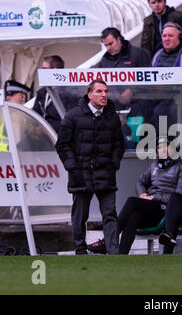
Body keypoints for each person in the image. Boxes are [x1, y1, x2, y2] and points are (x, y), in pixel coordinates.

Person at [88, 136, 182, 254]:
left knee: (132, 202)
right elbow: (140, 181)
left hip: (168, 208)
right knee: (134, 216)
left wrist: (153, 198)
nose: (162, 150)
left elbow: (179, 196)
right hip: (152, 206)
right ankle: (120, 256)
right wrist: (143, 193)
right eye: (159, 147)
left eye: (166, 146)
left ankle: (107, 241)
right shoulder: (155, 164)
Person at [55, 79, 125, 255]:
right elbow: (62, 145)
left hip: (105, 173)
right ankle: (80, 250)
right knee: (80, 216)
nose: (104, 95)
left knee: (110, 214)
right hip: (81, 173)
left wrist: (114, 163)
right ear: (90, 95)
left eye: (106, 91)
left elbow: (119, 144)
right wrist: (72, 166)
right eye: (100, 91)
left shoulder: (112, 116)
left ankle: (113, 252)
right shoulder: (72, 116)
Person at [150, 22, 182, 132]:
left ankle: (166, 142)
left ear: (179, 37)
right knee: (139, 109)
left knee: (160, 111)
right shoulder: (157, 54)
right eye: (164, 36)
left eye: (171, 36)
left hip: (177, 99)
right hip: (155, 96)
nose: (166, 39)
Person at [0, 80, 31, 152]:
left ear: (22, 97)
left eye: (11, 94)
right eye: (7, 94)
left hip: (19, 159)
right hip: (0, 158)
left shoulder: (29, 117)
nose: (7, 97)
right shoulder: (3, 114)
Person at [32, 55, 66, 133]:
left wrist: (48, 128)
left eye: (44, 69)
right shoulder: (42, 92)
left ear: (54, 70)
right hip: (42, 139)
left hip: (59, 138)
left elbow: (71, 120)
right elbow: (34, 114)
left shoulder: (68, 94)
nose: (41, 72)